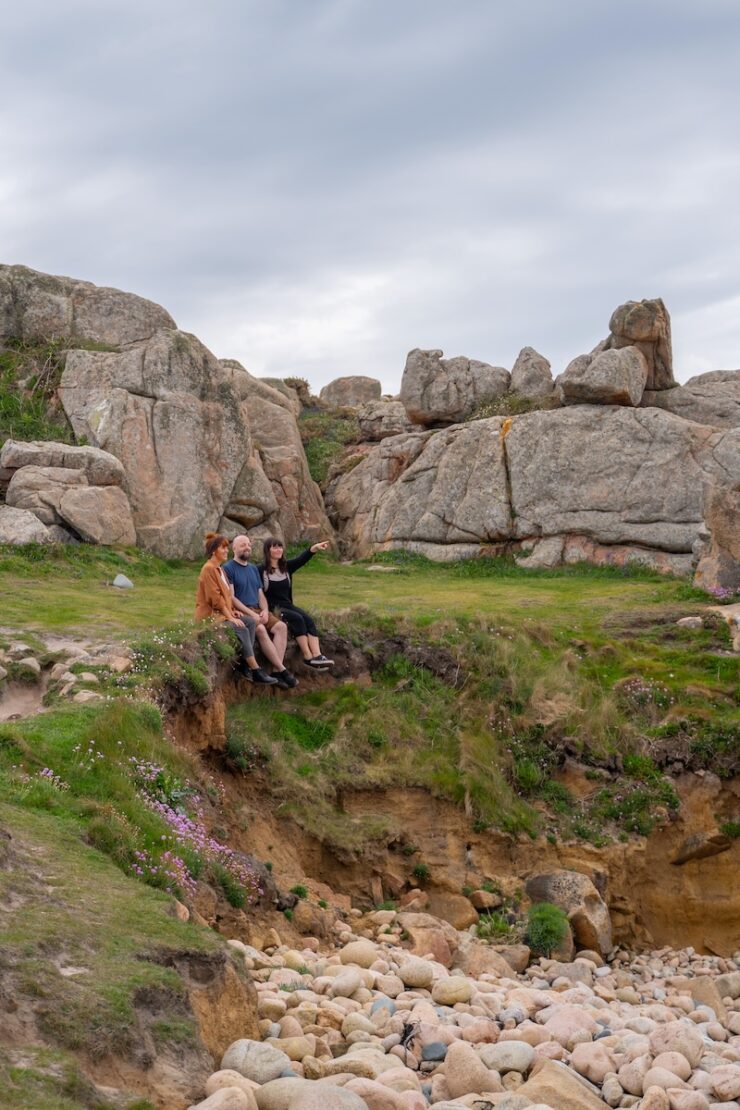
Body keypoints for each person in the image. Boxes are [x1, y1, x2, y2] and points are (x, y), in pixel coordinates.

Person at [195, 533, 278, 685]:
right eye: (223, 548)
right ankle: (255, 669)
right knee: (242, 628)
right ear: (214, 551)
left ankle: (245, 664)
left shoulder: (219, 569)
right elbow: (216, 601)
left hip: (223, 614)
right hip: (211, 616)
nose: (227, 551)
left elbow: (226, 596)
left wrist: (233, 610)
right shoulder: (209, 569)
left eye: (227, 548)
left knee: (251, 621)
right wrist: (231, 618)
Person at [223, 534, 299, 689]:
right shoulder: (228, 568)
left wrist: (264, 610)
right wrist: (253, 615)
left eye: (249, 544)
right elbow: (232, 598)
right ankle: (283, 671)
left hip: (258, 608)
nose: (247, 547)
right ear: (234, 548)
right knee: (261, 630)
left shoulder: (252, 568)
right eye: (243, 545)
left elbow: (260, 593)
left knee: (281, 627)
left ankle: (277, 671)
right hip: (242, 610)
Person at [260, 538, 334, 669]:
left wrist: (314, 548)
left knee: (308, 620)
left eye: (280, 547)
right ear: (268, 550)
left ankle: (317, 655)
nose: (279, 550)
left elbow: (302, 559)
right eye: (275, 547)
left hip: (288, 605)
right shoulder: (260, 570)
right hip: (273, 608)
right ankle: (307, 657)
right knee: (297, 619)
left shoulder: (286, 567)